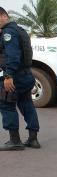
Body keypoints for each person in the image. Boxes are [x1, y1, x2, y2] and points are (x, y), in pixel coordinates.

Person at [0, 7, 39, 151]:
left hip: (14, 76)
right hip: (26, 74)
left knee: (6, 105)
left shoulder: (8, 33)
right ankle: (33, 139)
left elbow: (13, 56)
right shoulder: (19, 30)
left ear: (3, 16)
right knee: (27, 104)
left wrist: (8, 75)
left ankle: (14, 141)